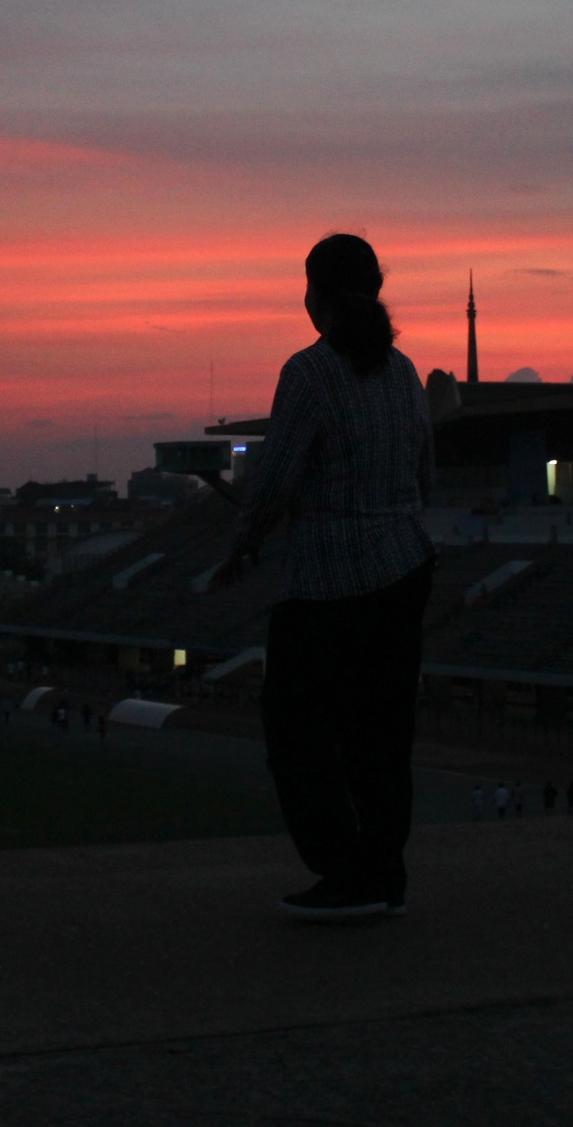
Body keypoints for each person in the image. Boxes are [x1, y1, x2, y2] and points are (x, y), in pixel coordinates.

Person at [206, 233, 436, 922]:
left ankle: (344, 871)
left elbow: (274, 478)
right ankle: (384, 876)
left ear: (316, 297)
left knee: (298, 735)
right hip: (404, 568)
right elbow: (426, 477)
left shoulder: (309, 371)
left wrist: (242, 543)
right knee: (382, 738)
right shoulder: (403, 372)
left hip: (327, 585)